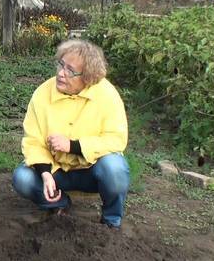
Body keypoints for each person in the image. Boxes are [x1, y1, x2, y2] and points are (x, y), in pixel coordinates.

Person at [12, 39, 130, 229]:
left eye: (71, 71)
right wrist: (45, 173)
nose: (61, 73)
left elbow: (116, 139)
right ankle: (59, 205)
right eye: (61, 65)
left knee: (115, 168)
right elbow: (33, 141)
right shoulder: (42, 93)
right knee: (22, 178)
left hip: (92, 171)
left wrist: (73, 146)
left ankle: (111, 221)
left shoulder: (107, 95)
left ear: (88, 77)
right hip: (56, 170)